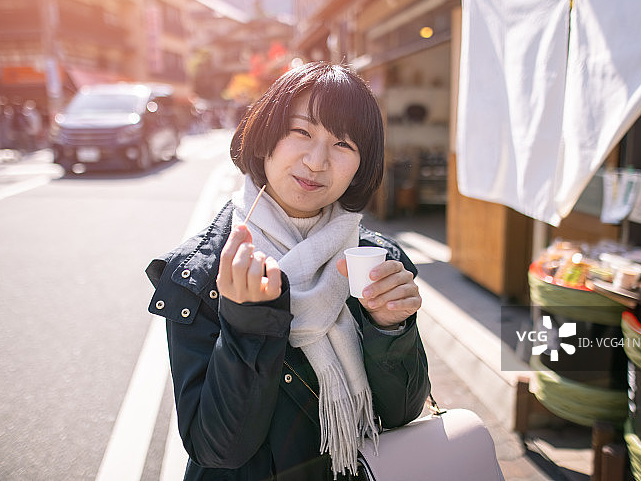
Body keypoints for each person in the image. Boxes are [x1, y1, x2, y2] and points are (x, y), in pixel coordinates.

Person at [146, 62, 431, 480]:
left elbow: (402, 413)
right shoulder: (203, 274)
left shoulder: (374, 262)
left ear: (361, 165)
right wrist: (247, 322)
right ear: (266, 137)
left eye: (344, 144)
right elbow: (216, 448)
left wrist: (390, 331)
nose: (316, 162)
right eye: (301, 132)